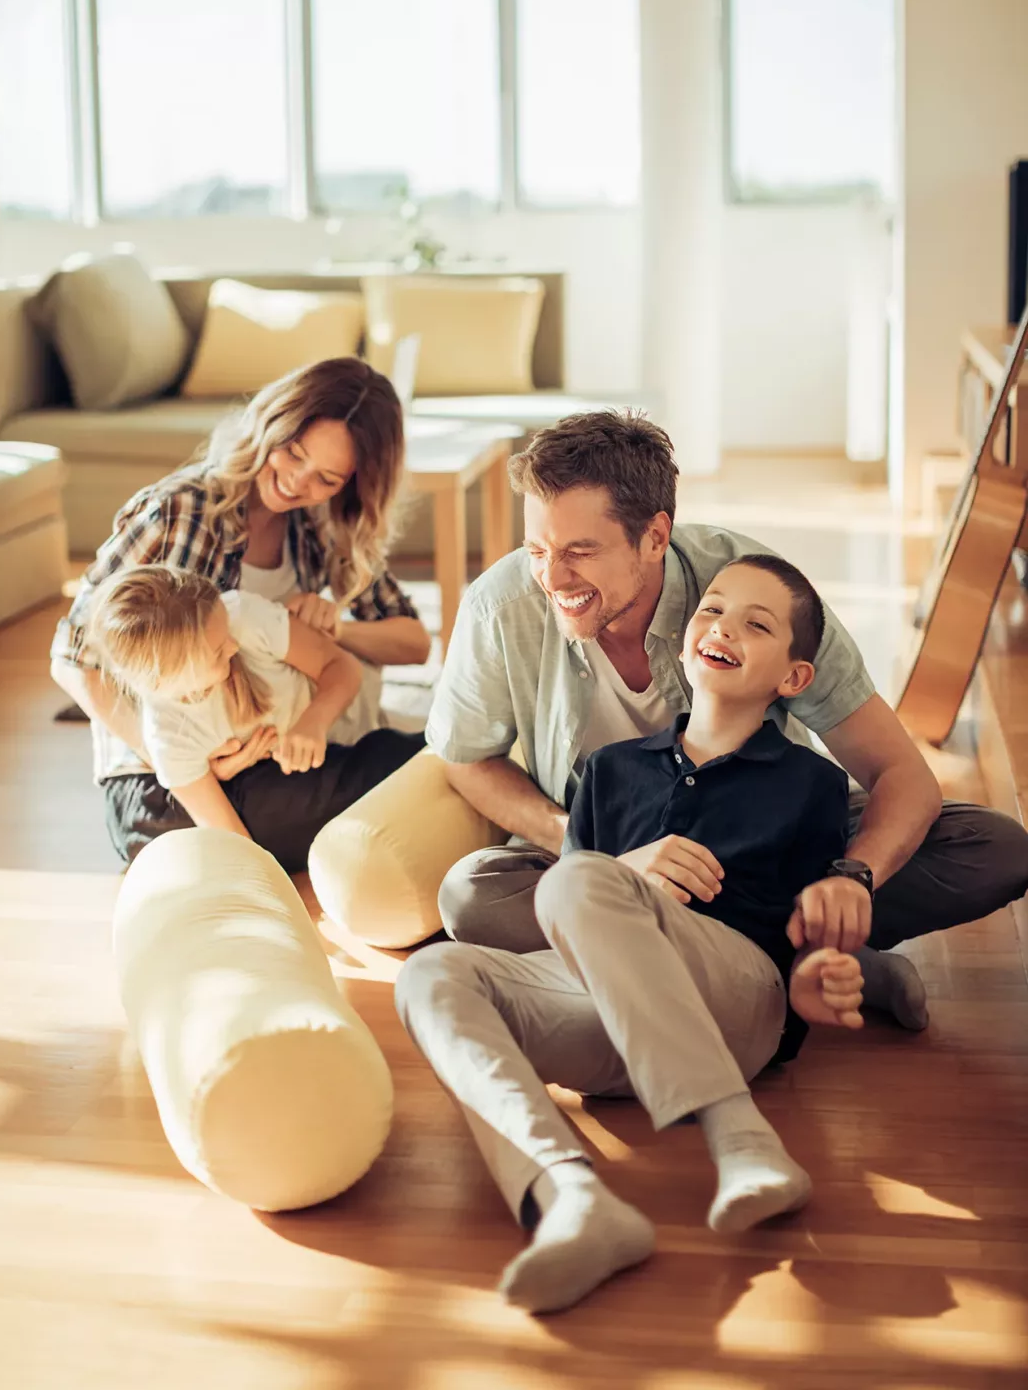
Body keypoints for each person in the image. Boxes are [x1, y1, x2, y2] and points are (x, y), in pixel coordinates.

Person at [426, 410, 1028, 1022]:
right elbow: (466, 759)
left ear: (656, 536)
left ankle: (685, 960)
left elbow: (899, 770)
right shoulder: (500, 607)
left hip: (763, 849)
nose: (552, 579)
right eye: (537, 550)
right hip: (606, 849)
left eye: (580, 552)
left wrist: (853, 877)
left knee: (995, 848)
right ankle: (808, 964)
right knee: (471, 895)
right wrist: (600, 861)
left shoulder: (755, 590)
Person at [397, 554, 866, 1315]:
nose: (724, 628)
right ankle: (573, 1198)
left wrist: (819, 975)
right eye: (712, 611)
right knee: (430, 975)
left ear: (795, 678)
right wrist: (624, 872)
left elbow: (806, 928)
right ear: (684, 640)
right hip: (606, 1018)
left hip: (735, 1004)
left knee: (578, 878)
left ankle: (741, 1139)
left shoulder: (810, 785)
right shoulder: (608, 772)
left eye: (757, 623)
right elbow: (577, 914)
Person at [51, 357, 428, 872]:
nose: (297, 482)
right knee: (405, 776)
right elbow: (71, 658)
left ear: (352, 484)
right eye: (292, 453)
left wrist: (334, 627)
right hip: (161, 779)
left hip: (267, 758)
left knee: (392, 773)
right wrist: (187, 762)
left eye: (327, 478)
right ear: (271, 424)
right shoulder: (178, 512)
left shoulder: (317, 526)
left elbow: (413, 642)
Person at [88, 564, 392, 841]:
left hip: (354, 731)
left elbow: (344, 667)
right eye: (218, 651)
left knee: (389, 771)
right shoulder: (168, 738)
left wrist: (313, 722)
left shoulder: (242, 616)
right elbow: (233, 839)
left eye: (226, 635)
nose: (233, 646)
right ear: (164, 680)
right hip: (285, 774)